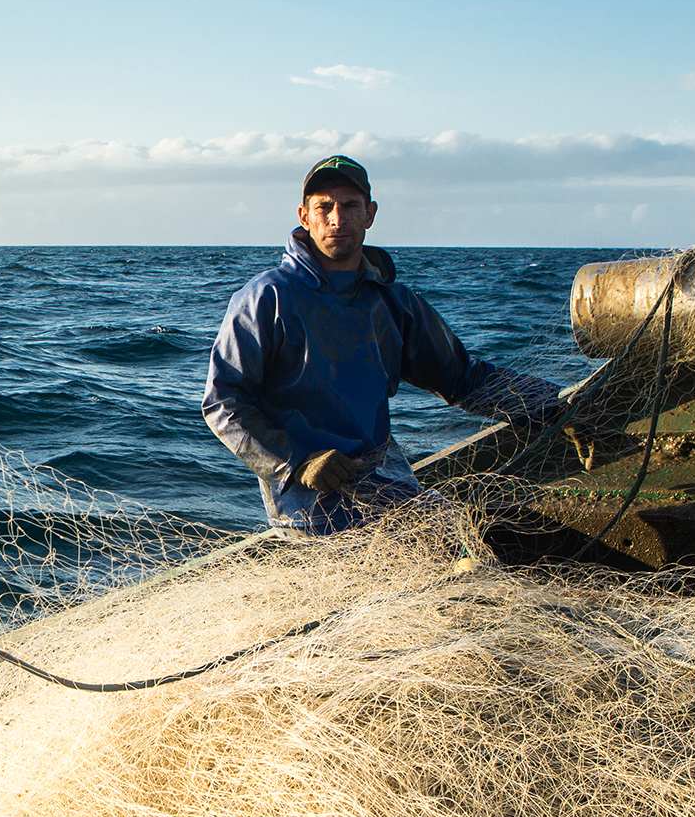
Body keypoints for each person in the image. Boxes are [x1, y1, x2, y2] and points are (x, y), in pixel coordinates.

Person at [204, 155, 562, 535]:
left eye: (350, 206)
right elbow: (223, 401)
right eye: (324, 207)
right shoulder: (266, 298)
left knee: (480, 536)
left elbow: (463, 379)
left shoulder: (393, 302)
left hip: (386, 481)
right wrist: (297, 461)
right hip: (308, 503)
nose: (337, 219)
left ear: (370, 214)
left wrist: (550, 409)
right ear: (304, 216)